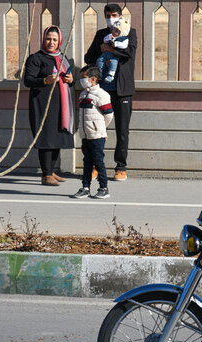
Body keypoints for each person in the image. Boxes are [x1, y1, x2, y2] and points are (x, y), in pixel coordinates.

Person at [85, 4, 137, 182]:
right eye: (108, 15)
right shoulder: (101, 34)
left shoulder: (130, 32)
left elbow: (129, 53)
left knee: (122, 130)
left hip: (123, 91)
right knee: (96, 129)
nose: (111, 18)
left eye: (114, 15)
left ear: (120, 15)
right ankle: (95, 166)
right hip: (102, 92)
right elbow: (88, 57)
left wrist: (111, 50)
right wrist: (101, 52)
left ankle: (120, 167)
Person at [24, 25, 75, 186]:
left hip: (60, 104)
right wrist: (45, 80)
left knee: (56, 136)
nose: (51, 42)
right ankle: (46, 174)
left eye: (54, 39)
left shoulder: (62, 57)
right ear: (43, 39)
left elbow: (67, 81)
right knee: (46, 137)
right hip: (42, 103)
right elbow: (28, 80)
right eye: (48, 39)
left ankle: (52, 170)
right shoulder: (36, 58)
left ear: (59, 41)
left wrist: (70, 80)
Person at [71, 66, 114, 200]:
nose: (82, 80)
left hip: (97, 135)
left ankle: (103, 187)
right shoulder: (83, 94)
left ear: (93, 79)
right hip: (85, 135)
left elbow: (109, 115)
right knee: (87, 162)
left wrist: (101, 129)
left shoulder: (102, 95)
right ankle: (85, 187)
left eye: (84, 78)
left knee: (98, 161)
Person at [96, 17, 130, 85]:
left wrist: (116, 44)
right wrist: (108, 38)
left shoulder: (124, 38)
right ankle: (99, 72)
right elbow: (104, 40)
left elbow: (124, 45)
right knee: (100, 60)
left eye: (117, 31)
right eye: (114, 30)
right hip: (106, 54)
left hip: (114, 56)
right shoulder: (111, 35)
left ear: (122, 32)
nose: (114, 32)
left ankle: (111, 75)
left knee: (113, 63)